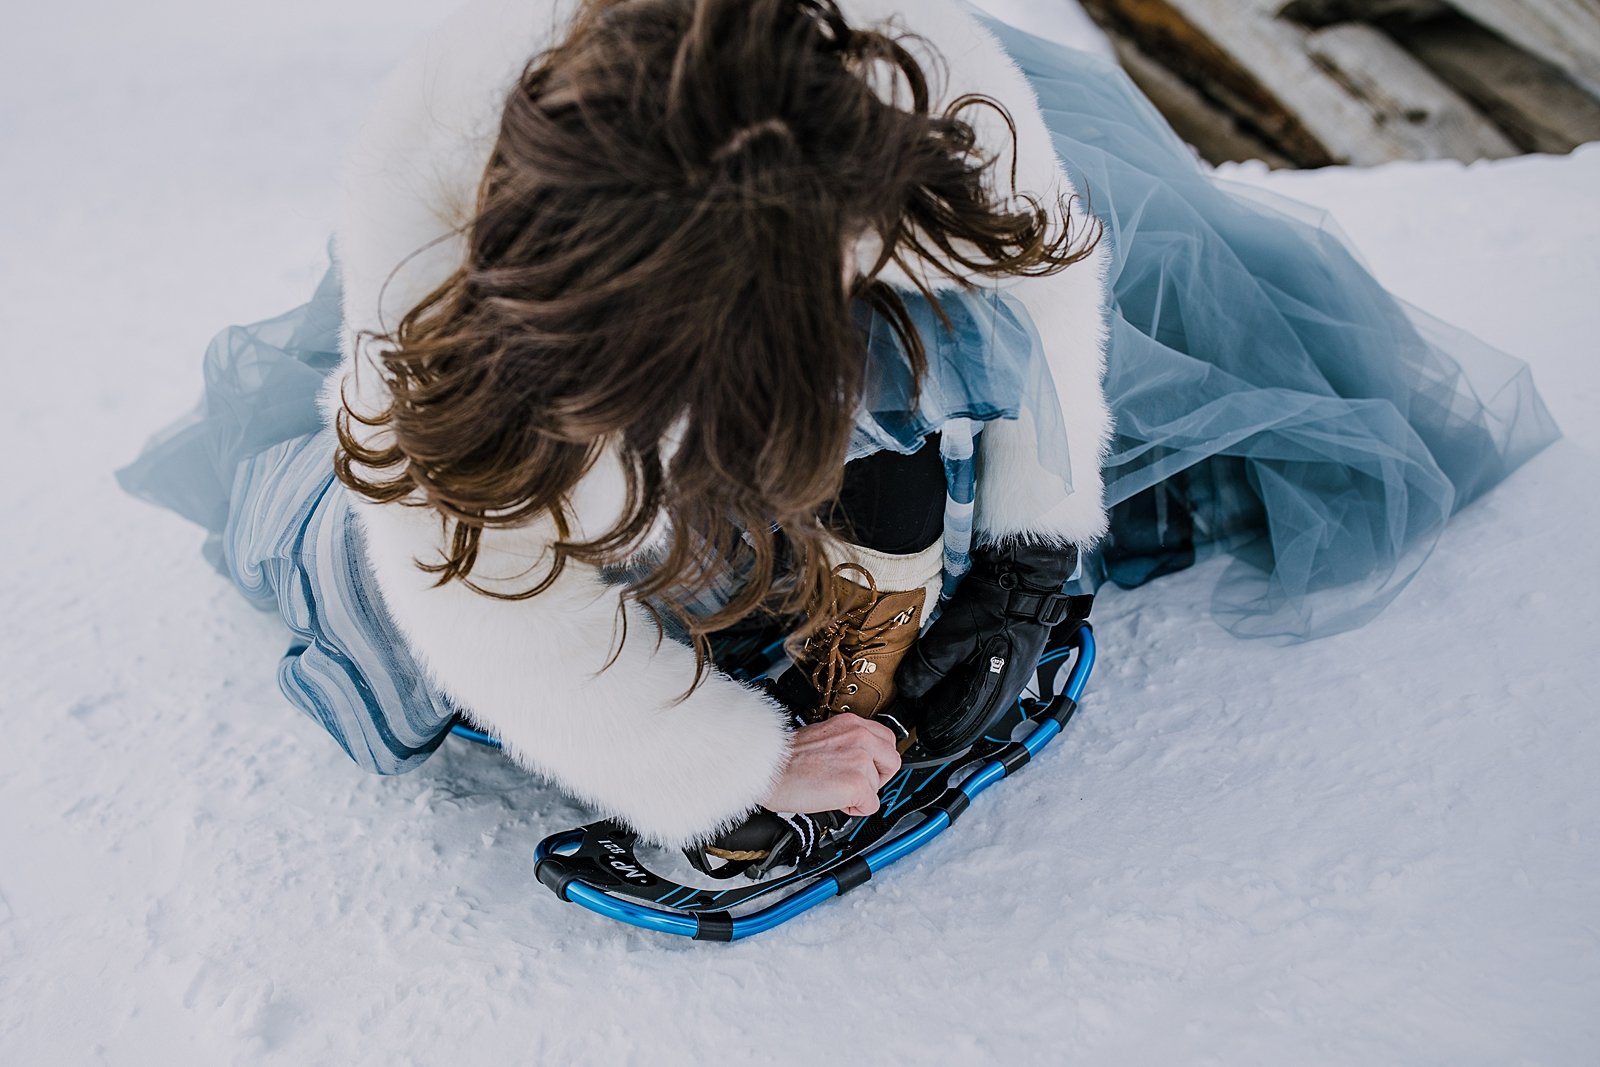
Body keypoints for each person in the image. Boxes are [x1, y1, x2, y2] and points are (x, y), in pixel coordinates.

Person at [119, 0, 1557, 861]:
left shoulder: (939, 127)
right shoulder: (428, 246)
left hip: (861, 208)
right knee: (425, 564)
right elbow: (471, 572)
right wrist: (721, 761)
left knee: (955, 423)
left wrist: (1029, 559)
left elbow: (1049, 306)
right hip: (581, 287)